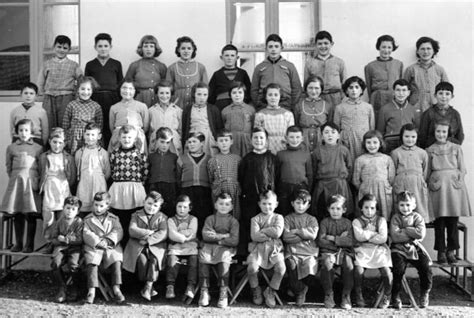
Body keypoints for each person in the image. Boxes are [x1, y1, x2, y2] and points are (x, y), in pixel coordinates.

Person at [426, 120, 472, 263]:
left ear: (449, 133)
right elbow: (426, 171)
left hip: (453, 187)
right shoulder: (429, 150)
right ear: (434, 133)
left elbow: (462, 168)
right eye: (438, 131)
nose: (441, 134)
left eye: (444, 132)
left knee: (452, 220)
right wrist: (431, 183)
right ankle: (441, 251)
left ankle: (451, 251)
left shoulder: (456, 148)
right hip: (438, 187)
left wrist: (459, 179)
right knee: (439, 221)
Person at [0, 119, 43, 253]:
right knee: (17, 213)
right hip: (17, 183)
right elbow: (8, 166)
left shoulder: (37, 148)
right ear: (17, 132)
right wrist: (15, 178)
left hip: (31, 183)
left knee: (30, 213)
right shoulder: (12, 147)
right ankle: (18, 243)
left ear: (31, 132)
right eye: (21, 130)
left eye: (26, 130)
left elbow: (41, 167)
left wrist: (35, 180)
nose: (24, 133)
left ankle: (29, 244)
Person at [238, 127, 278, 255]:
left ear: (266, 140)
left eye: (261, 137)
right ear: (251, 140)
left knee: (267, 228)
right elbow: (241, 178)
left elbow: (276, 177)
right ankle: (250, 258)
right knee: (251, 228)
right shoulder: (246, 159)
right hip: (250, 200)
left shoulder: (272, 158)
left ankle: (269, 255)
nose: (258, 140)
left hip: (267, 201)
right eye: (255, 137)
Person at [390, 191, 432, 309]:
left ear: (414, 205)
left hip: (414, 247)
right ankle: (395, 295)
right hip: (398, 248)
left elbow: (421, 234)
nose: (405, 208)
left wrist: (405, 229)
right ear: (398, 205)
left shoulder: (417, 217)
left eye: (408, 205)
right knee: (398, 270)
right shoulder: (396, 218)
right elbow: (395, 236)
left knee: (426, 267)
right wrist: (412, 231)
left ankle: (424, 293)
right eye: (402, 205)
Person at [123, 191, 168, 301]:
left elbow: (163, 232)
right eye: (149, 203)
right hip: (138, 245)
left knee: (154, 260)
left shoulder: (162, 217)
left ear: (159, 207)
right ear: (144, 202)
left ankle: (148, 287)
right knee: (142, 263)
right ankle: (148, 286)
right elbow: (132, 230)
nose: (151, 207)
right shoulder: (136, 215)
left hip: (155, 245)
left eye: (155, 205)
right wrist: (149, 232)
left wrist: (149, 240)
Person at [198, 192, 239, 308]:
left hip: (226, 248)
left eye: (227, 204)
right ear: (215, 205)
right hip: (209, 247)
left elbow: (234, 240)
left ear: (231, 207)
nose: (223, 206)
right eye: (221, 203)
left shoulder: (233, 222)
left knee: (224, 259)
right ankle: (204, 291)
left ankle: (223, 292)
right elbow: (206, 235)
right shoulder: (210, 219)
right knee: (203, 257)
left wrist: (218, 239)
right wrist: (223, 236)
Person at [83, 191, 125, 304]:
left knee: (116, 259)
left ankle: (116, 288)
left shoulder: (114, 218)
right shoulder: (87, 219)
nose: (98, 208)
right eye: (96, 205)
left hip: (110, 246)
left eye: (101, 206)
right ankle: (91, 290)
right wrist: (98, 241)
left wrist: (108, 240)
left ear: (107, 206)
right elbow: (86, 233)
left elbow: (118, 230)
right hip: (95, 247)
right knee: (92, 261)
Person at [247, 190, 286, 308]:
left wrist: (262, 231)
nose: (267, 207)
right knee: (252, 268)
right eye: (264, 203)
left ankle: (271, 291)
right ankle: (256, 290)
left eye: (270, 204)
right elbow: (255, 236)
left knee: (281, 268)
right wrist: (268, 233)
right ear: (259, 204)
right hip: (258, 249)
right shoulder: (255, 219)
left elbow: (277, 232)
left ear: (276, 204)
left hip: (275, 248)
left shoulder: (278, 217)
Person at [108, 125, 148, 243]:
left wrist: (140, 183)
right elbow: (112, 168)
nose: (126, 140)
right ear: (119, 138)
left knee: (134, 214)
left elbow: (145, 170)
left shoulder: (139, 154)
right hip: (119, 187)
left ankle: (133, 240)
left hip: (134, 186)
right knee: (120, 215)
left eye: (129, 137)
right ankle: (121, 240)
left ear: (135, 139)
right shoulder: (114, 153)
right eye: (124, 137)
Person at [352, 194, 392, 309]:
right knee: (358, 270)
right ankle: (359, 295)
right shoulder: (357, 221)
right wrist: (374, 234)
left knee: (386, 271)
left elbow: (383, 238)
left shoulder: (381, 220)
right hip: (363, 249)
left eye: (372, 208)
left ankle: (387, 295)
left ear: (376, 209)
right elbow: (359, 237)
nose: (369, 211)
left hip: (379, 249)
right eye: (366, 208)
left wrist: (367, 235)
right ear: (361, 208)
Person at [39, 128, 76, 253]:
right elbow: (41, 173)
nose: (57, 145)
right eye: (54, 142)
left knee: (63, 217)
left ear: (64, 144)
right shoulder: (44, 157)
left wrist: (65, 185)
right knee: (48, 219)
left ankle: (61, 244)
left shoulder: (68, 157)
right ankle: (49, 243)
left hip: (62, 187)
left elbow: (71, 177)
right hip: (49, 187)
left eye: (60, 143)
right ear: (50, 141)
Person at [85, 33, 123, 146]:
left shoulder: (116, 64)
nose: (103, 49)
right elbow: (87, 85)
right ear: (95, 47)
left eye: (106, 46)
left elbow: (120, 83)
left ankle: (111, 151)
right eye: (100, 46)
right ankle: (97, 150)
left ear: (110, 47)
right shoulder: (90, 64)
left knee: (110, 125)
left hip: (113, 99)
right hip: (96, 99)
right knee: (97, 126)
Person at [37, 35, 82, 129]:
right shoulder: (47, 64)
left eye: (65, 48)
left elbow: (81, 81)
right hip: (49, 97)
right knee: (49, 124)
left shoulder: (74, 65)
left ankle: (65, 143)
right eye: (59, 47)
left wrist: (77, 95)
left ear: (69, 49)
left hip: (66, 98)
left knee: (65, 124)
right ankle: (49, 143)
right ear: (54, 47)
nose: (61, 50)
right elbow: (41, 80)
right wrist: (41, 94)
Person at [282, 189, 318, 306]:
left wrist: (297, 231)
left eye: (304, 203)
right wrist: (304, 236)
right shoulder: (287, 218)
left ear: (308, 205)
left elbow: (312, 235)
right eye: (297, 203)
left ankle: (296, 289)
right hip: (292, 251)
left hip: (308, 252)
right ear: (292, 203)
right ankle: (300, 291)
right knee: (291, 265)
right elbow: (286, 236)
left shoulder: (311, 219)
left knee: (310, 268)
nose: (300, 206)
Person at [318, 194, 354, 310]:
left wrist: (333, 238)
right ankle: (329, 294)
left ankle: (346, 295)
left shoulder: (347, 223)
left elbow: (349, 241)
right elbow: (321, 241)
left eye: (338, 209)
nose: (335, 212)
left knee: (349, 265)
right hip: (328, 252)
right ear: (328, 209)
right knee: (327, 263)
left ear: (344, 210)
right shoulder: (324, 222)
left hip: (344, 252)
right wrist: (340, 239)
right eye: (332, 208)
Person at [311, 122, 353, 221]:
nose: (330, 135)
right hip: (323, 185)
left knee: (341, 209)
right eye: (326, 132)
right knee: (322, 210)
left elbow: (350, 167)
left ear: (338, 135)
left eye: (333, 132)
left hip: (340, 184)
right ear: (321, 136)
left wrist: (343, 181)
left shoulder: (344, 150)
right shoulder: (317, 151)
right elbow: (313, 169)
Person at [391, 123, 432, 223]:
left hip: (417, 185)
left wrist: (421, 181)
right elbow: (392, 171)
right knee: (403, 208)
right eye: (407, 136)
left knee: (418, 209)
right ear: (402, 137)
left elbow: (425, 171)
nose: (410, 139)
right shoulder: (396, 152)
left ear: (417, 137)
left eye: (413, 136)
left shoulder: (422, 153)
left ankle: (418, 234)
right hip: (401, 184)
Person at [250, 34, 302, 110]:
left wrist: (292, 104)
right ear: (266, 48)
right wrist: (258, 104)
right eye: (270, 47)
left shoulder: (290, 66)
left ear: (282, 48)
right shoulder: (259, 67)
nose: (273, 49)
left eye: (276, 46)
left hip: (285, 104)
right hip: (264, 105)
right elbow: (254, 89)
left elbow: (296, 87)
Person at [352, 130, 395, 220]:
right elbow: (356, 180)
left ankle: (384, 229)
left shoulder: (386, 158)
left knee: (384, 211)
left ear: (380, 143)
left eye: (375, 142)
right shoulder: (360, 160)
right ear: (364, 144)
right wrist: (364, 187)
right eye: (368, 142)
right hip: (367, 190)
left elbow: (391, 178)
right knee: (368, 211)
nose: (372, 145)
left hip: (383, 190)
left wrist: (385, 186)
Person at [49, 196, 83, 303]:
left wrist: (67, 239)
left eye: (73, 209)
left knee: (73, 264)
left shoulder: (79, 222)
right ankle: (62, 288)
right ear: (63, 208)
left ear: (77, 211)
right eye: (68, 208)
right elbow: (53, 239)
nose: (70, 211)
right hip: (60, 248)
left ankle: (74, 288)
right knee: (55, 263)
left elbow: (80, 239)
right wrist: (59, 240)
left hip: (74, 248)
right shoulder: (59, 221)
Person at [165, 195, 199, 302]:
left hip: (190, 247)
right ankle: (170, 286)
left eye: (185, 207)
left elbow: (192, 233)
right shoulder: (171, 220)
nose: (182, 209)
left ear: (190, 208)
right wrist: (184, 237)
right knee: (172, 261)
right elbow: (172, 234)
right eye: (179, 206)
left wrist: (178, 234)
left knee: (194, 260)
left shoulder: (193, 219)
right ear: (175, 207)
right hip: (176, 248)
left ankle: (190, 286)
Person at [333, 76, 375, 160]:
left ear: (361, 90)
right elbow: (336, 128)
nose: (354, 90)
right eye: (351, 87)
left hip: (363, 140)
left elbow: (372, 127)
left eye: (357, 87)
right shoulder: (340, 108)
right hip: (347, 141)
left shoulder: (368, 107)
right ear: (346, 91)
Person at [178, 132, 212, 234]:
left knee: (203, 213)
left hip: (204, 191)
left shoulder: (209, 159)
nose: (191, 144)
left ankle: (202, 238)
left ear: (202, 143)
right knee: (188, 214)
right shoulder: (182, 158)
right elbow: (178, 176)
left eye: (194, 141)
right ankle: (190, 237)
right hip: (187, 190)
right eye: (189, 142)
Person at [404, 36, 448, 114]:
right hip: (416, 107)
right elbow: (403, 89)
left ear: (434, 51)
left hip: (436, 107)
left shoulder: (440, 70)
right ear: (417, 51)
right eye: (422, 49)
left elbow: (447, 90)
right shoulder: (411, 69)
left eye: (428, 49)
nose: (426, 52)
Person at [75, 123, 110, 216]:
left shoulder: (103, 153)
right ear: (84, 135)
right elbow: (77, 167)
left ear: (99, 136)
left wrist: (100, 180)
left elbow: (107, 172)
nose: (90, 137)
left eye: (93, 135)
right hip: (84, 184)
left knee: (98, 208)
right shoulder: (80, 152)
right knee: (83, 210)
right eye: (87, 134)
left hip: (98, 183)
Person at [276, 126, 312, 216]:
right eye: (291, 137)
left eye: (297, 137)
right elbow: (276, 174)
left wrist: (307, 189)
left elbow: (310, 174)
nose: (294, 140)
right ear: (286, 138)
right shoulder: (280, 154)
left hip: (301, 188)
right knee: (284, 212)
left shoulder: (306, 155)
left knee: (300, 213)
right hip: (284, 189)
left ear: (302, 138)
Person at [364, 35, 403, 118]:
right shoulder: (370, 66)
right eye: (383, 47)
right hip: (377, 98)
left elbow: (401, 83)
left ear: (393, 48)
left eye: (389, 47)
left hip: (394, 98)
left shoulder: (398, 64)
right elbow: (369, 86)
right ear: (379, 47)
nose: (386, 50)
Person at [304, 30, 346, 106]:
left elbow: (344, 82)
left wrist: (340, 96)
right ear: (315, 45)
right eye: (320, 44)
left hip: (335, 98)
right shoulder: (309, 63)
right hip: (316, 97)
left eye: (326, 43)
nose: (323, 46)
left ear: (331, 44)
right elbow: (306, 83)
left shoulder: (339, 62)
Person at [62, 76, 103, 154]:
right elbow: (65, 125)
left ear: (92, 90)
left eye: (88, 89)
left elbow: (99, 126)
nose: (85, 92)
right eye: (83, 89)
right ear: (78, 90)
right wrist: (67, 139)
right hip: (74, 140)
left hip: (90, 138)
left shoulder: (96, 107)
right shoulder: (71, 105)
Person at [166, 36, 208, 110]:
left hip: (196, 101)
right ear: (178, 50)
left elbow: (205, 87)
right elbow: (168, 88)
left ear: (193, 50)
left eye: (189, 48)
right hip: (178, 102)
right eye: (183, 48)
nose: (186, 51)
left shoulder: (201, 67)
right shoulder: (172, 68)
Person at [181, 82, 223, 156]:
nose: (202, 97)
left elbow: (219, 128)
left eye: (205, 95)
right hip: (192, 137)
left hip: (208, 139)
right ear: (194, 94)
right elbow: (184, 128)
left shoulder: (213, 109)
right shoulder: (188, 109)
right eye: (199, 94)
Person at [124, 35, 167, 107]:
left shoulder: (161, 66)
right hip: (139, 98)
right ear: (141, 48)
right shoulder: (134, 65)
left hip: (157, 99)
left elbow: (166, 85)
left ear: (155, 49)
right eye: (146, 46)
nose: (148, 49)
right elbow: (127, 84)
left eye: (151, 46)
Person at [419, 82, 464, 149]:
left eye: (447, 94)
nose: (444, 96)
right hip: (432, 151)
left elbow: (460, 136)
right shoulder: (428, 113)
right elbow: (422, 137)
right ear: (435, 95)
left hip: (451, 151)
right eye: (440, 93)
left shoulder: (455, 114)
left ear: (452, 96)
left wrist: (451, 145)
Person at [207, 130, 241, 219]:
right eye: (221, 141)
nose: (224, 143)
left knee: (234, 213)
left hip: (233, 189)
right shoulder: (213, 160)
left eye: (226, 140)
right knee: (219, 212)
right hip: (218, 189)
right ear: (216, 143)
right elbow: (211, 178)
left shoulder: (237, 159)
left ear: (231, 142)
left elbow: (241, 176)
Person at [108, 80, 150, 154]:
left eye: (130, 88)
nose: (127, 91)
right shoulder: (114, 107)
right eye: (124, 88)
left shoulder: (142, 106)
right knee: (117, 157)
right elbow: (112, 127)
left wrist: (136, 133)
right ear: (119, 89)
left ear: (135, 91)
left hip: (137, 136)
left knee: (138, 158)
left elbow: (145, 126)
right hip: (118, 136)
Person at [376, 79, 417, 153]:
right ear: (393, 92)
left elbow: (417, 129)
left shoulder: (413, 109)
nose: (401, 93)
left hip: (408, 142)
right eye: (398, 90)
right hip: (390, 143)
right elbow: (380, 131)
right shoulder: (384, 109)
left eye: (404, 90)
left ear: (408, 93)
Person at [294, 76, 333, 151]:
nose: (313, 91)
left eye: (317, 88)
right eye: (310, 88)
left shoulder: (328, 105)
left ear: (321, 89)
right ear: (306, 89)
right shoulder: (299, 105)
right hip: (304, 139)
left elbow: (329, 123)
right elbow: (296, 123)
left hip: (321, 139)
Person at [254, 83, 295, 154]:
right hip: (266, 148)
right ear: (265, 97)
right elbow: (257, 134)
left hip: (283, 148)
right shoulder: (260, 114)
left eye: (276, 95)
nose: (273, 97)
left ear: (280, 96)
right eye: (270, 95)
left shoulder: (288, 114)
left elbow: (291, 134)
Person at [147, 127, 179, 217]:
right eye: (162, 142)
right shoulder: (151, 157)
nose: (164, 145)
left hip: (170, 186)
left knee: (169, 210)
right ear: (156, 140)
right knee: (154, 210)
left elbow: (177, 173)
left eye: (167, 142)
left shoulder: (174, 157)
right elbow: (148, 172)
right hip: (155, 186)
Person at [208, 44, 251, 111]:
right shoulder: (217, 74)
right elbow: (210, 94)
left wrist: (245, 102)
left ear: (237, 57)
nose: (229, 58)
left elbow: (248, 91)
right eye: (227, 55)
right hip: (220, 107)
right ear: (221, 57)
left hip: (239, 106)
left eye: (232, 55)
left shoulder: (243, 73)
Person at [221, 82, 255, 157]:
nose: (237, 95)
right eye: (234, 93)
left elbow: (253, 127)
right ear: (230, 94)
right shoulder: (225, 111)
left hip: (246, 141)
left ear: (244, 94)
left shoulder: (251, 110)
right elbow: (223, 127)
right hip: (232, 142)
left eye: (240, 92)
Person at [148, 80, 183, 155]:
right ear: (157, 94)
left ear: (171, 94)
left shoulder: (178, 110)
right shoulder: (151, 110)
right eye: (161, 93)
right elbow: (149, 131)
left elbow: (181, 130)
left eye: (167, 93)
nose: (164, 96)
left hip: (174, 145)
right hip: (156, 145)